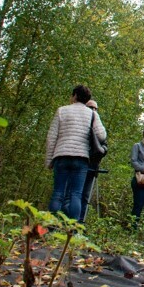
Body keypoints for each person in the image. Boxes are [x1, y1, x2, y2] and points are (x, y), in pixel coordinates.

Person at [46, 85, 107, 220]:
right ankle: (73, 230)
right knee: (76, 194)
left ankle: (51, 228)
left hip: (61, 156)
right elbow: (102, 135)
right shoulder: (92, 114)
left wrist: (49, 161)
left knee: (58, 193)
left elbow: (51, 137)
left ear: (74, 96)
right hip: (81, 158)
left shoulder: (61, 111)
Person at [78, 99, 108, 223]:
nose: (93, 111)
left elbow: (105, 146)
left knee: (85, 196)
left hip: (92, 167)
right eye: (91, 108)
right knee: (73, 194)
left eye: (95, 109)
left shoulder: (99, 127)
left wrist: (100, 152)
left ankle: (80, 222)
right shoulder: (78, 124)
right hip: (78, 164)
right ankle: (66, 222)